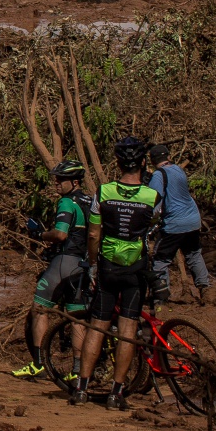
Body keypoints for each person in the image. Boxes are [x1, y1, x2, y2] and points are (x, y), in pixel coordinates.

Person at [73, 139, 161, 411]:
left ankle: (81, 390)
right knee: (127, 329)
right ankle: (115, 394)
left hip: (107, 268)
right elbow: (154, 232)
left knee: (97, 326)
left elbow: (93, 233)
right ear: (143, 164)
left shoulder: (104, 192)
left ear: (118, 164)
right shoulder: (152, 197)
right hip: (135, 271)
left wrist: (93, 263)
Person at [15, 157, 95, 383]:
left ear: (76, 181)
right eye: (56, 179)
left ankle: (39, 364)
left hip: (64, 263)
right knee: (77, 317)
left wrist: (40, 235)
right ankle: (78, 370)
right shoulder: (90, 201)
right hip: (83, 265)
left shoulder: (67, 203)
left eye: (62, 179)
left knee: (40, 309)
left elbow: (60, 234)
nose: (56, 183)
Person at [147, 143, 210, 306]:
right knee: (194, 253)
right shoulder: (178, 170)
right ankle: (205, 289)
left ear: (152, 161)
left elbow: (154, 202)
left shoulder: (158, 176)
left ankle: (161, 297)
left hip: (175, 223)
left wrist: (150, 223)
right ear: (168, 157)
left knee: (161, 258)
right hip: (193, 219)